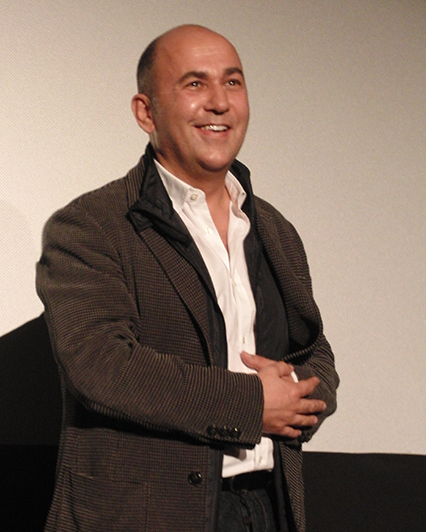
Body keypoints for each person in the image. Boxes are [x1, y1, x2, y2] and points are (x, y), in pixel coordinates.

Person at [36, 24, 338, 532]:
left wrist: (303, 396)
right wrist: (254, 404)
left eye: (233, 82)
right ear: (146, 112)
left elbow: (314, 351)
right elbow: (100, 365)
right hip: (145, 515)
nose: (219, 102)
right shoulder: (91, 225)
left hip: (269, 506)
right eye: (195, 84)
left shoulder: (274, 230)